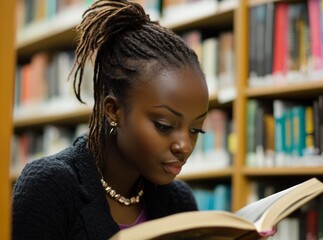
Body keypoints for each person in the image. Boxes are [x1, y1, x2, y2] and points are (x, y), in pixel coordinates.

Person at [11, 0, 209, 239]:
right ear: (114, 110)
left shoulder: (179, 202)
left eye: (196, 130)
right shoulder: (50, 188)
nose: (185, 146)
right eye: (164, 126)